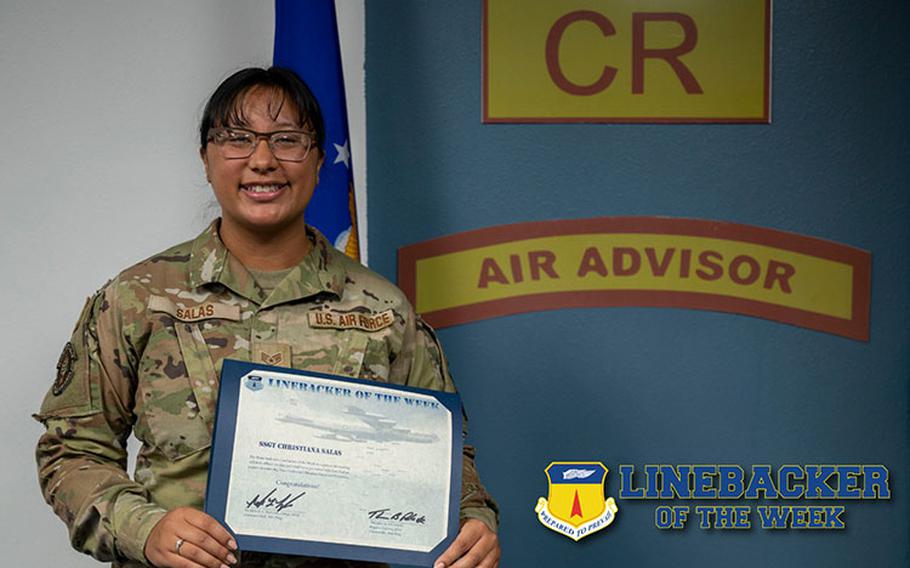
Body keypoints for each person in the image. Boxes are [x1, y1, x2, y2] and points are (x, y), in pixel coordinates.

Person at [35, 67, 500, 568]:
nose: (262, 160)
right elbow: (71, 451)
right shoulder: (137, 298)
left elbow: (445, 458)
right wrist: (143, 529)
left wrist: (474, 519)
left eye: (287, 140)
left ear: (319, 161)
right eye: (237, 139)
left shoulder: (382, 309)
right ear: (206, 158)